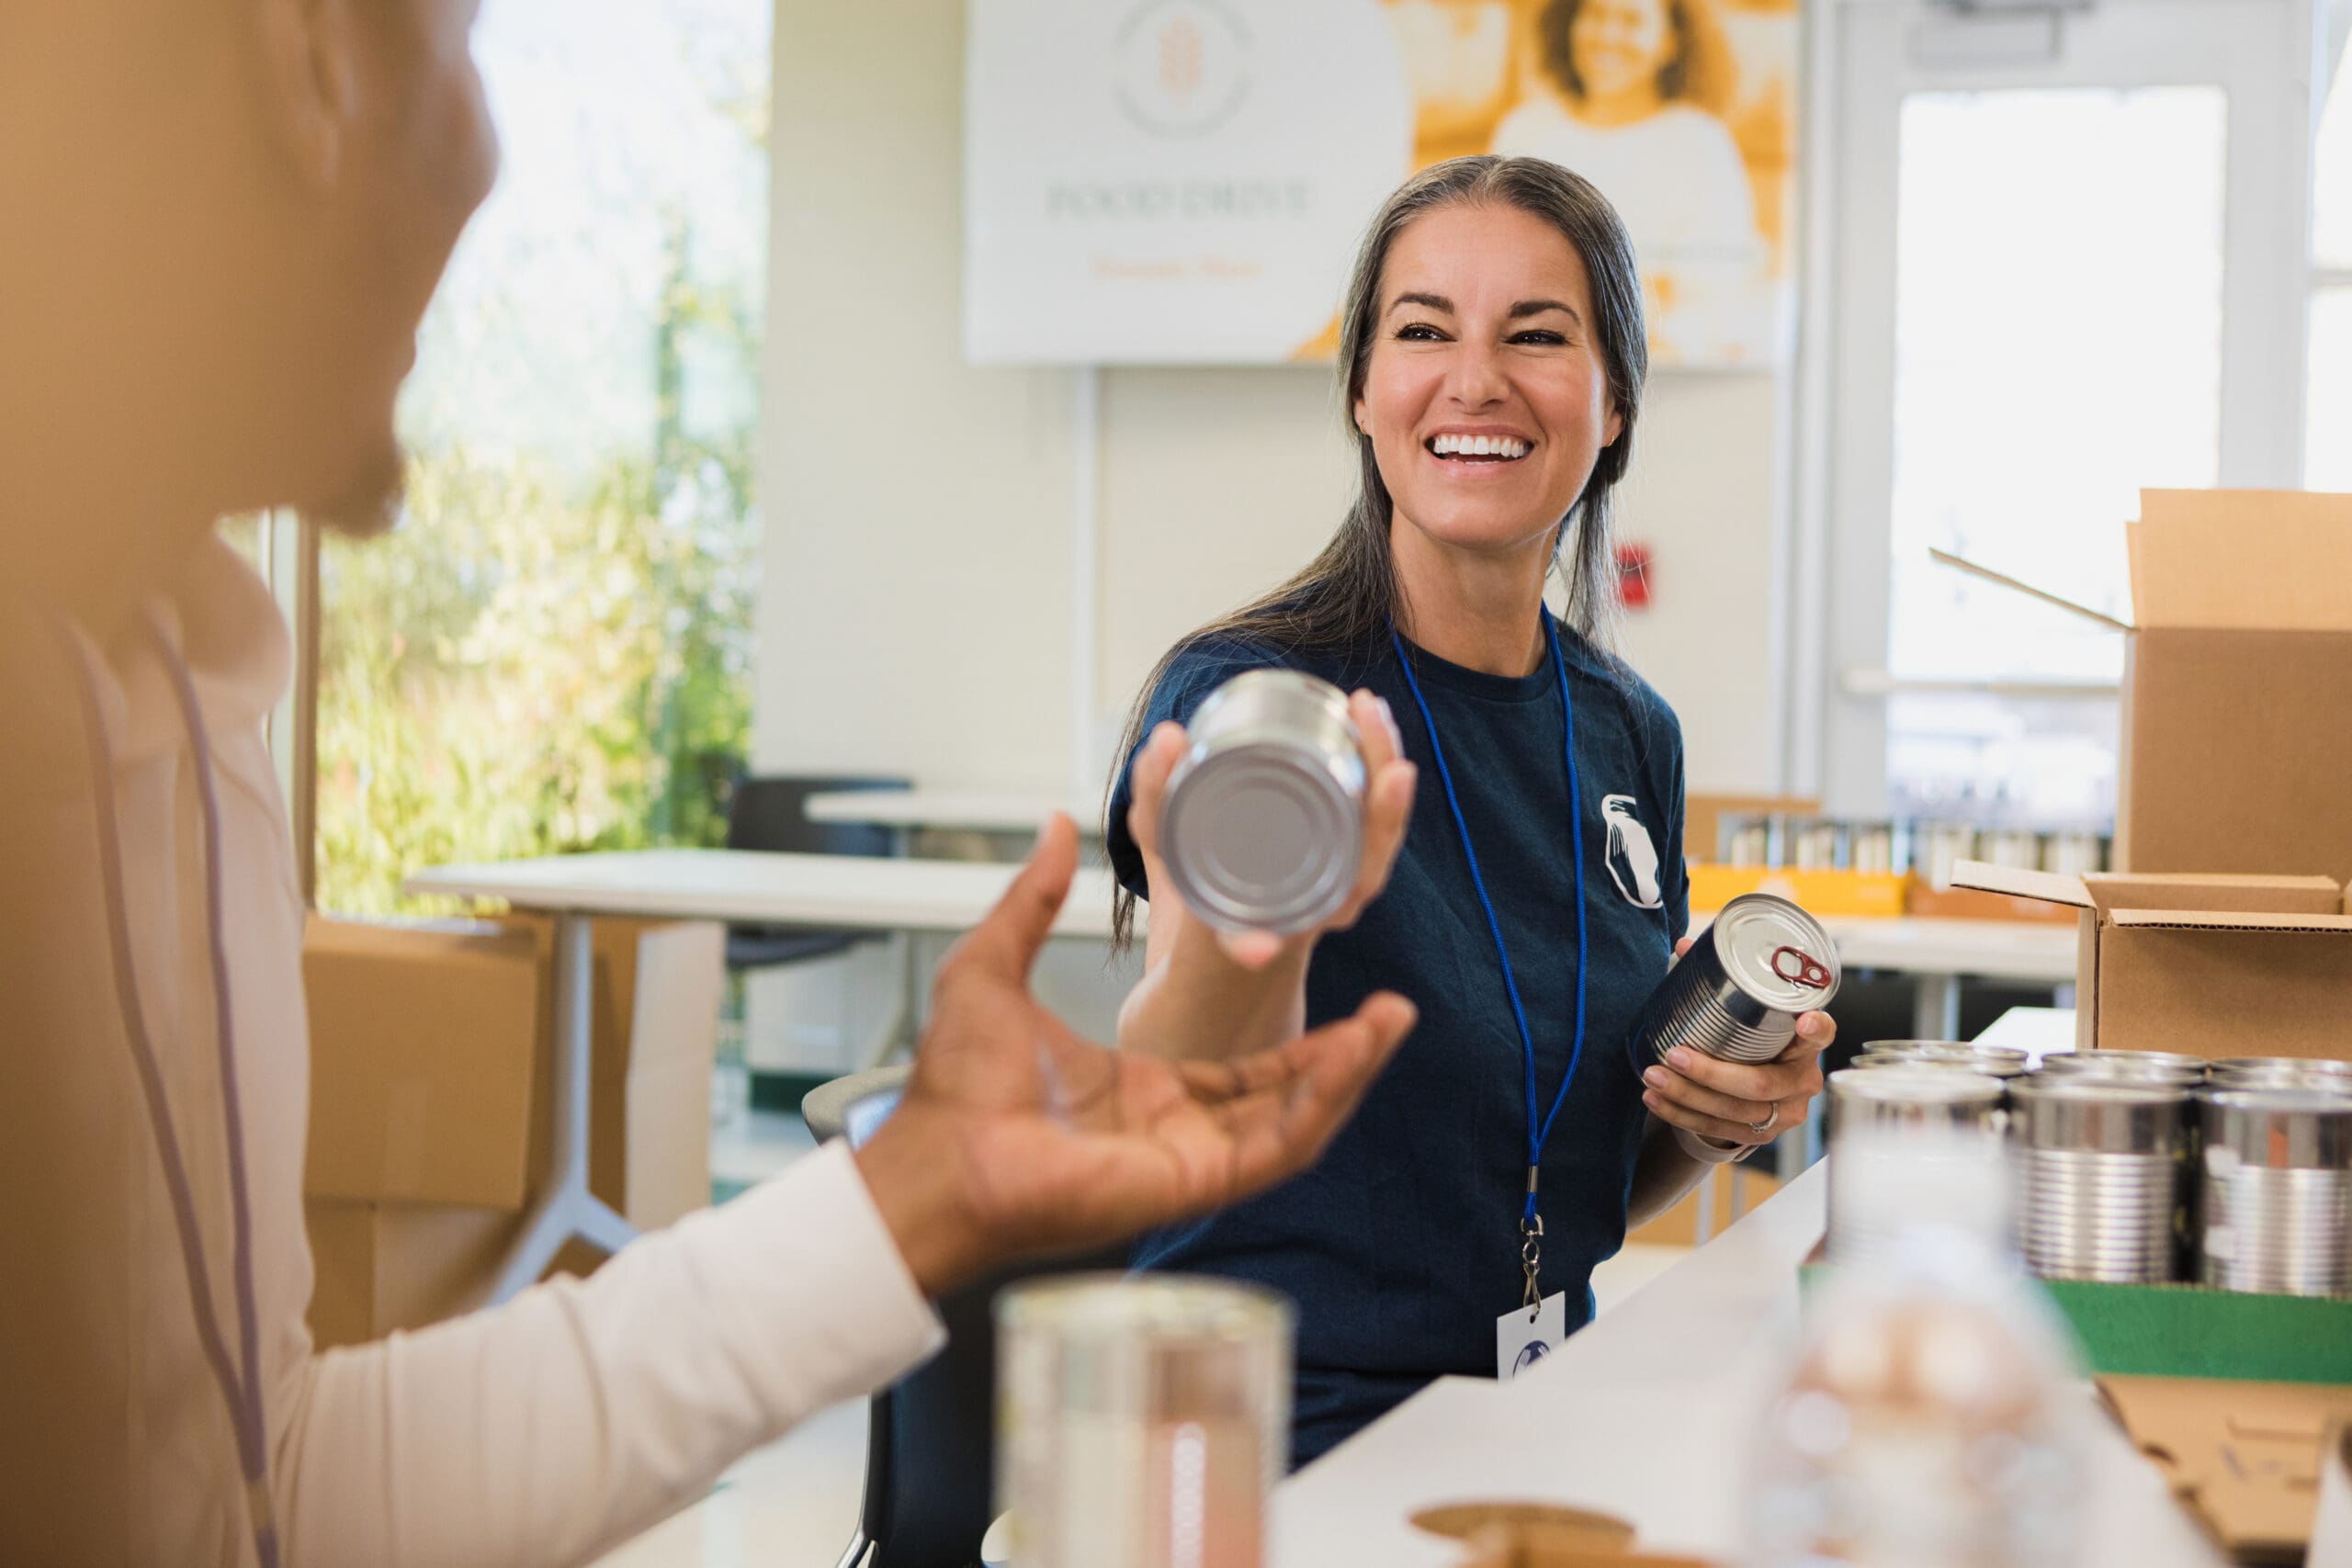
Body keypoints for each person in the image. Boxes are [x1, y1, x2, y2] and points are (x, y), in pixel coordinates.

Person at [0, 4, 1419, 1564]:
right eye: (466, 37)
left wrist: (910, 1196)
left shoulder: (171, 685)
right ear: (312, 64)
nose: (489, 155)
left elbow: (235, 1503)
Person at [1106, 155, 1834, 1466]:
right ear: (1363, 391)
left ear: (1614, 403)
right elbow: (1179, 1077)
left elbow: (1576, 1174)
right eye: (1424, 331)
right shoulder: (1258, 705)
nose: (1476, 380)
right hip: (1271, 1425)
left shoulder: (1628, 731)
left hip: (1532, 1401)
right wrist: (1242, 933)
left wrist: (1710, 1112)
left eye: (1536, 336)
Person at [1489, 0, 1771, 363]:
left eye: (1631, 21)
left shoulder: (1699, 142)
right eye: (1596, 16)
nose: (1608, 36)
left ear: (1670, 41)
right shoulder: (1527, 129)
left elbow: (1716, 289)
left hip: (1666, 363)